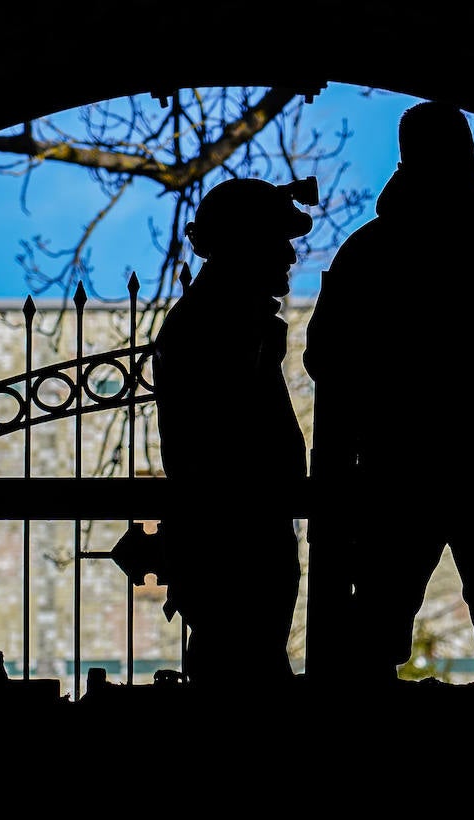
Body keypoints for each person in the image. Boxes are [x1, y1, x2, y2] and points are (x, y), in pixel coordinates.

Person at [303, 100, 474, 687]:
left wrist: (361, 451)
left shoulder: (369, 253)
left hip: (401, 466)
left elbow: (325, 359)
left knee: (376, 636)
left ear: (404, 164)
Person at [151, 176, 318, 689]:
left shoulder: (229, 319)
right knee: (241, 679)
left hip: (245, 532)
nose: (289, 256)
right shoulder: (218, 325)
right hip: (236, 539)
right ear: (244, 244)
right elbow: (227, 442)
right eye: (277, 240)